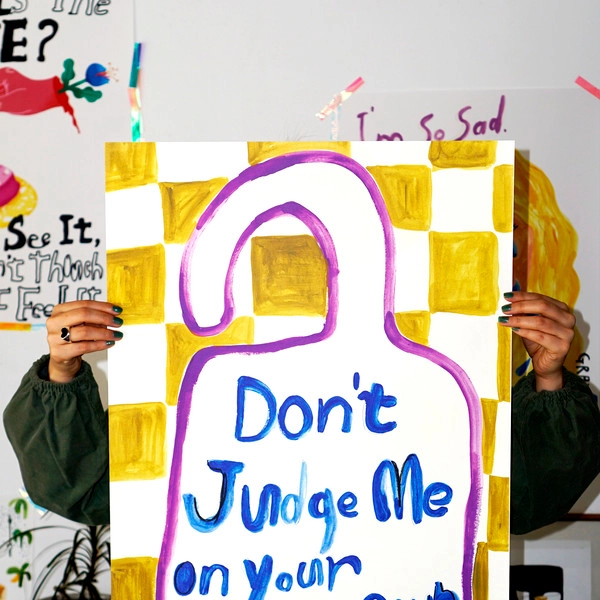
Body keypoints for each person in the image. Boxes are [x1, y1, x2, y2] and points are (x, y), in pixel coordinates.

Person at [4, 293, 600, 534]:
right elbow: (85, 490)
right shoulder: (196, 414)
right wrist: (62, 372)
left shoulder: (428, 402)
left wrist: (549, 375)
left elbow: (521, 501)